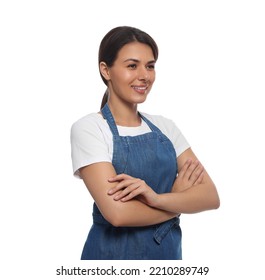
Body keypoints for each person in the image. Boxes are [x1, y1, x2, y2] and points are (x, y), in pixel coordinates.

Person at [70, 26, 220, 260]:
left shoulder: (166, 127)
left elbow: (210, 197)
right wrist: (178, 199)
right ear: (105, 70)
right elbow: (117, 214)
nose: (145, 75)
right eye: (132, 66)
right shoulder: (90, 128)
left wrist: (157, 198)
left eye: (150, 66)